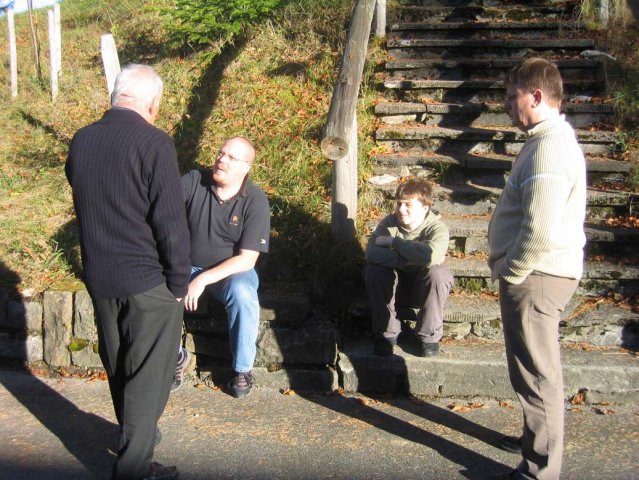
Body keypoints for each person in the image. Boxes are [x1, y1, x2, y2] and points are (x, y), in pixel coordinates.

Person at [66, 64, 190, 480]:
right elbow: (170, 221)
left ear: (115, 95)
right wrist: (178, 283)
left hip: (100, 276)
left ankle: (139, 447)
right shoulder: (155, 143)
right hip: (147, 280)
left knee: (120, 367)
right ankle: (134, 470)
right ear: (152, 103)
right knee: (148, 379)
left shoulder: (82, 140)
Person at [487, 58, 587, 480]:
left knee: (537, 377)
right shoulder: (546, 141)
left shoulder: (549, 148)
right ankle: (536, 444)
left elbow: (540, 230)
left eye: (513, 96)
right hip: (539, 275)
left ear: (537, 96)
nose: (507, 105)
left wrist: (512, 270)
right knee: (533, 372)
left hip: (537, 276)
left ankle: (539, 471)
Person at [177, 136, 270, 398]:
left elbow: (247, 259)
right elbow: (163, 211)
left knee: (243, 293)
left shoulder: (255, 200)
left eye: (231, 157)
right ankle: (173, 359)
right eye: (221, 153)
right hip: (185, 265)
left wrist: (202, 279)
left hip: (231, 273)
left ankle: (242, 370)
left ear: (245, 167)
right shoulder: (194, 180)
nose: (221, 160)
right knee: (159, 286)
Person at [365, 178, 453, 357]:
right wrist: (408, 260)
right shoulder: (388, 223)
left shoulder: (437, 229)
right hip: (394, 287)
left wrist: (394, 242)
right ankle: (386, 333)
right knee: (375, 270)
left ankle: (428, 337)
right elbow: (371, 253)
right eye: (399, 203)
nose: (401, 209)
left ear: (425, 207)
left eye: (408, 205)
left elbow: (430, 257)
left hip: (423, 290)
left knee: (439, 274)